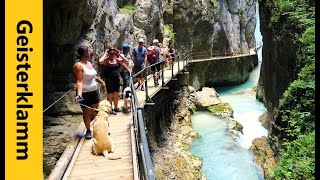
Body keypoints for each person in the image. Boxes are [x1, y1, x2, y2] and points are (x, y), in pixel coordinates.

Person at [73, 44, 106, 140]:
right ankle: (88, 130)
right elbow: (79, 81)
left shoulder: (89, 63)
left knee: (95, 111)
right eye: (87, 51)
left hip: (94, 91)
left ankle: (98, 129)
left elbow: (92, 76)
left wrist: (101, 81)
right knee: (87, 113)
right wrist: (79, 95)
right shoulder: (78, 66)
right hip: (85, 93)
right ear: (84, 53)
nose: (89, 53)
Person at [99, 47, 132, 115]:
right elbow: (100, 61)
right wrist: (105, 53)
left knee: (116, 94)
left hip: (116, 79)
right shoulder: (106, 60)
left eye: (113, 53)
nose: (112, 55)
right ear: (109, 53)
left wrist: (119, 54)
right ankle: (110, 109)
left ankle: (116, 108)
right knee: (110, 95)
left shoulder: (116, 59)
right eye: (111, 53)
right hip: (109, 80)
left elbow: (126, 61)